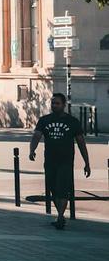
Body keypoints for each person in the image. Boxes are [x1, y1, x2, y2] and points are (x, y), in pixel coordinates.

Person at [30, 93, 91, 230]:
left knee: (62, 189)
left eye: (57, 103)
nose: (54, 105)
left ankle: (60, 216)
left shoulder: (72, 121)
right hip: (50, 160)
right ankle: (60, 215)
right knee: (53, 188)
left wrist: (87, 162)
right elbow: (37, 136)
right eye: (52, 103)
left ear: (64, 105)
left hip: (66, 161)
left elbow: (81, 142)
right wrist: (32, 150)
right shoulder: (44, 120)